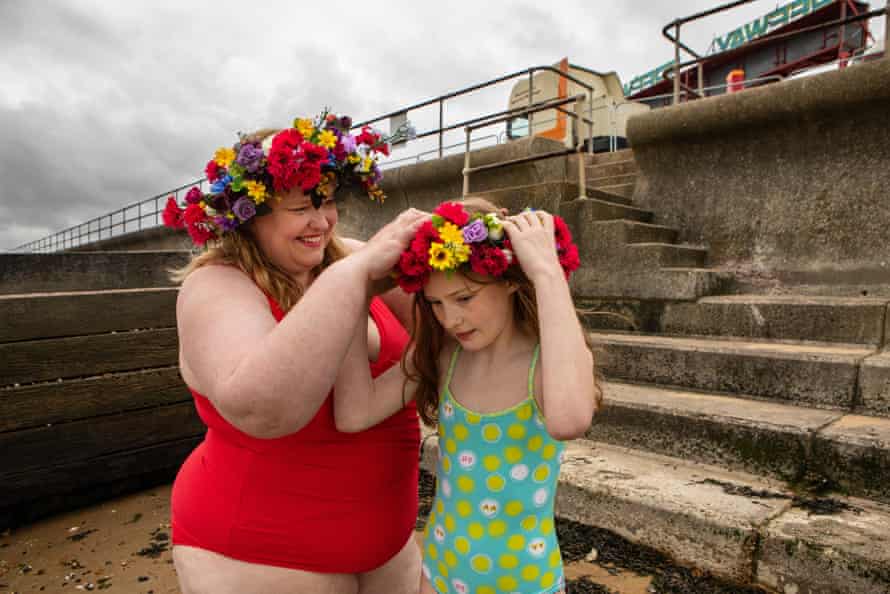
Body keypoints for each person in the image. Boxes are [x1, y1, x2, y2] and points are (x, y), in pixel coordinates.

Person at [162, 111, 427, 594]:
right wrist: (351, 277)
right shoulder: (217, 285)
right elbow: (265, 408)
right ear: (251, 215)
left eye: (326, 202)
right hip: (261, 556)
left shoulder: (347, 254)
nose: (321, 221)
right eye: (301, 207)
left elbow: (447, 327)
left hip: (390, 549)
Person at [333, 198, 602, 594]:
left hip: (525, 584)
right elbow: (354, 413)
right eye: (436, 303)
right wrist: (360, 298)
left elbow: (570, 420)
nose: (450, 319)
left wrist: (546, 273)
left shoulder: (551, 362)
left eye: (464, 298)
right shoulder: (444, 355)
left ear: (511, 279)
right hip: (440, 574)